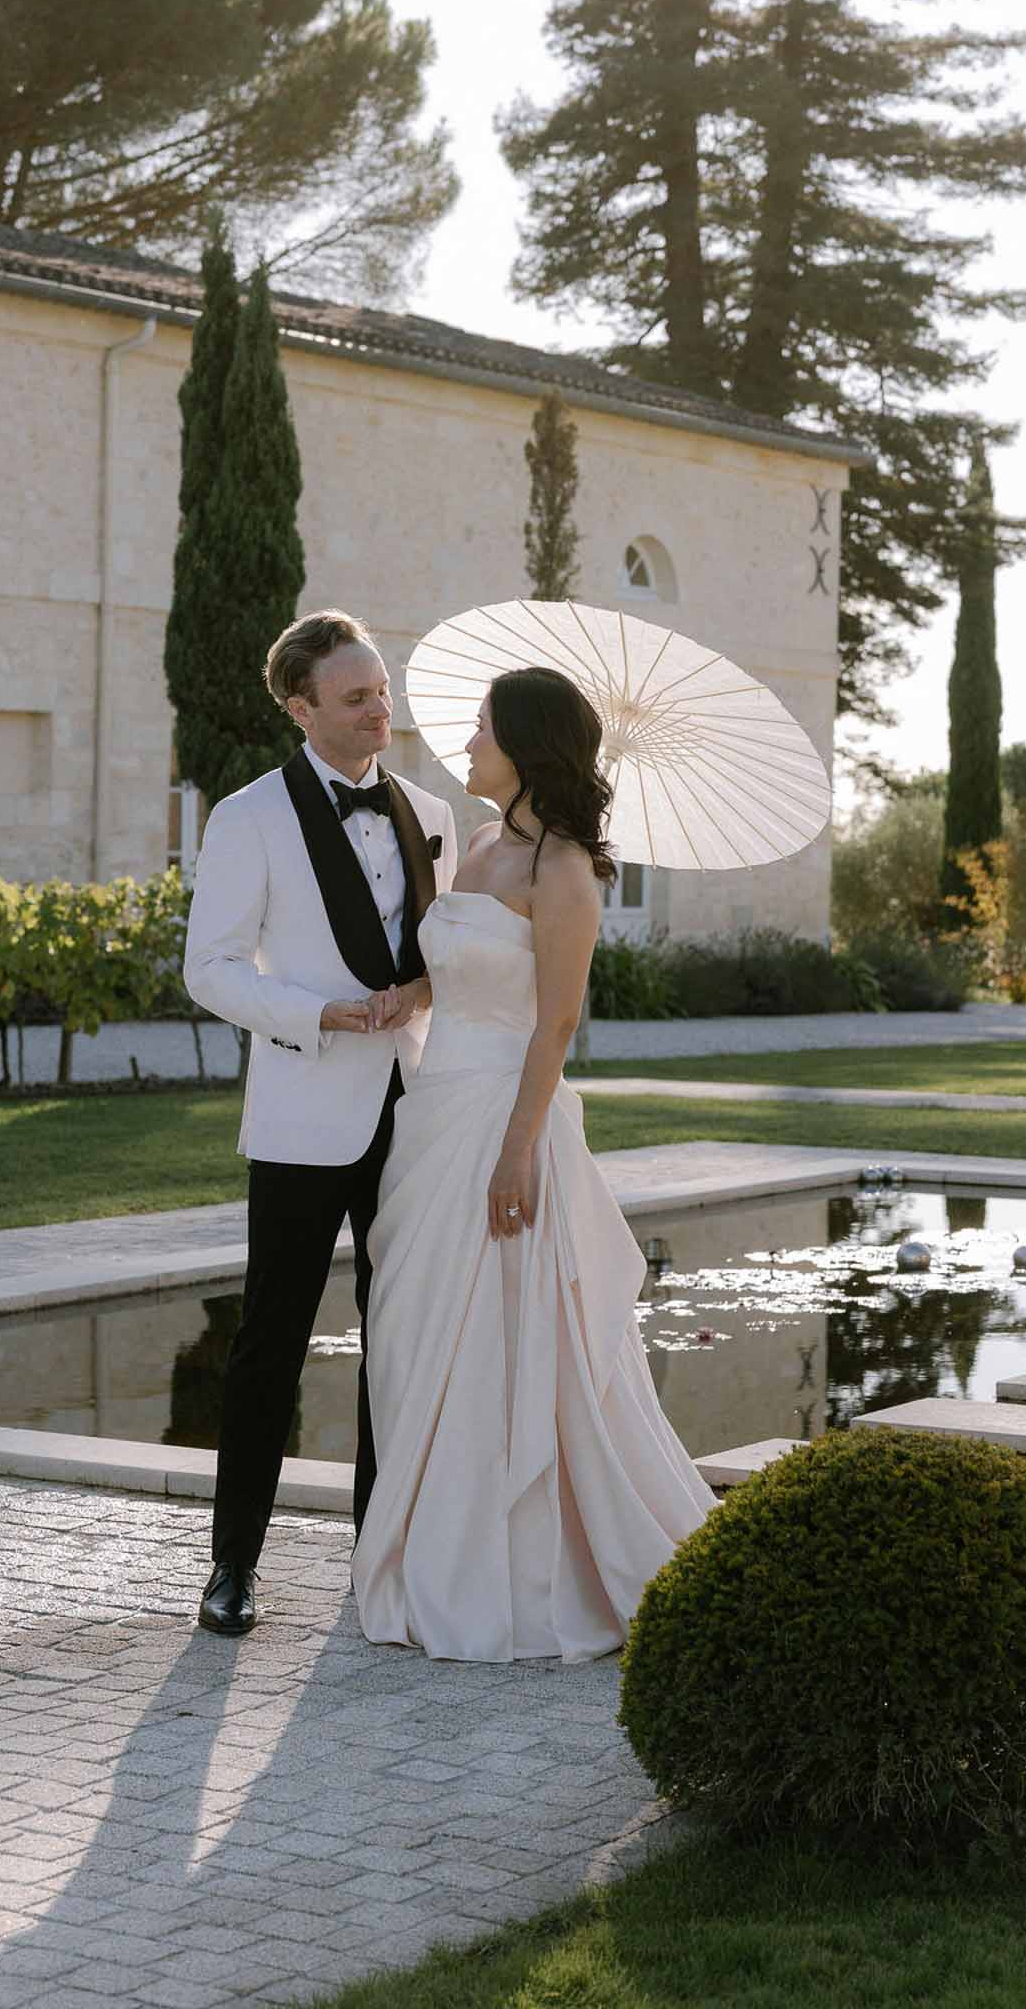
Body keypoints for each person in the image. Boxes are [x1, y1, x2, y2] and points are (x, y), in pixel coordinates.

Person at [352, 667, 716, 1663]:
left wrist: (516, 1152)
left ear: (524, 743)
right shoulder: (477, 845)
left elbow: (554, 1021)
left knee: (506, 1339)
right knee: (414, 1330)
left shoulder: (566, 868)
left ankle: (517, 1571)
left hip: (506, 1119)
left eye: (481, 728)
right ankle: (432, 1546)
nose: (467, 743)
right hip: (433, 1116)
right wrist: (407, 997)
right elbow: (465, 966)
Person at [183, 610, 458, 1636]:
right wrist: (317, 1014)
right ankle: (233, 1565)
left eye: (382, 689)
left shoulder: (429, 810)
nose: (382, 709)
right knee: (270, 1344)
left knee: (401, 1338)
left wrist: (423, 987)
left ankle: (380, 1558)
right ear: (300, 708)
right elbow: (209, 968)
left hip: (415, 1111)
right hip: (302, 1112)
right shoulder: (248, 816)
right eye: (356, 697)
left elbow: (446, 955)